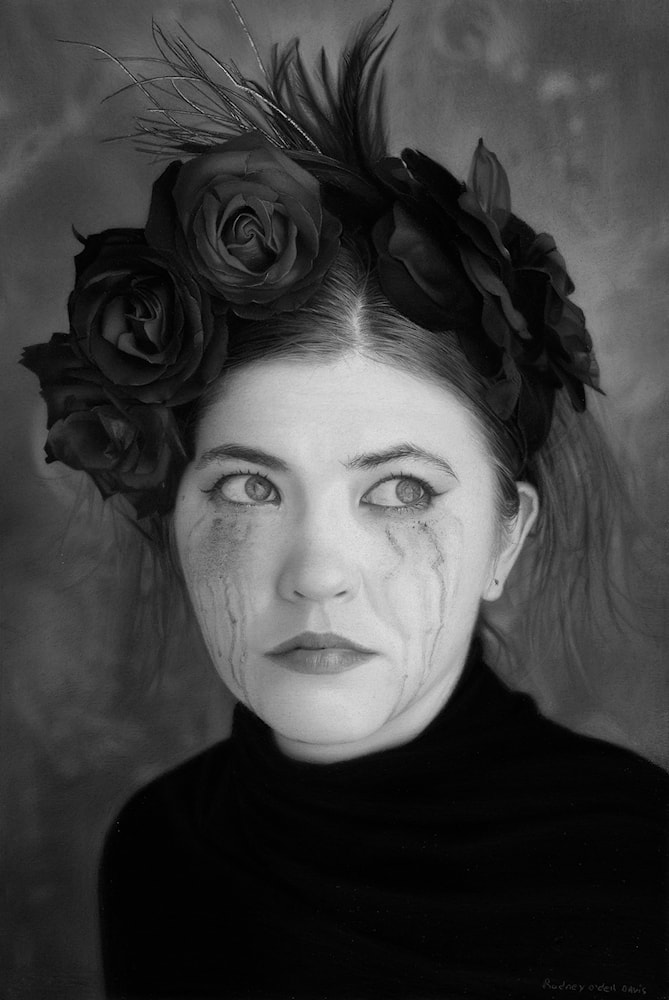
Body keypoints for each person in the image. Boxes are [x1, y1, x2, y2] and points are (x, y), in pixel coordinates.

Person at [20, 9, 669, 1000]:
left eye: (401, 490)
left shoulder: (641, 876)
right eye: (249, 486)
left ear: (506, 536)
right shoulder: (157, 852)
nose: (317, 572)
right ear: (170, 513)